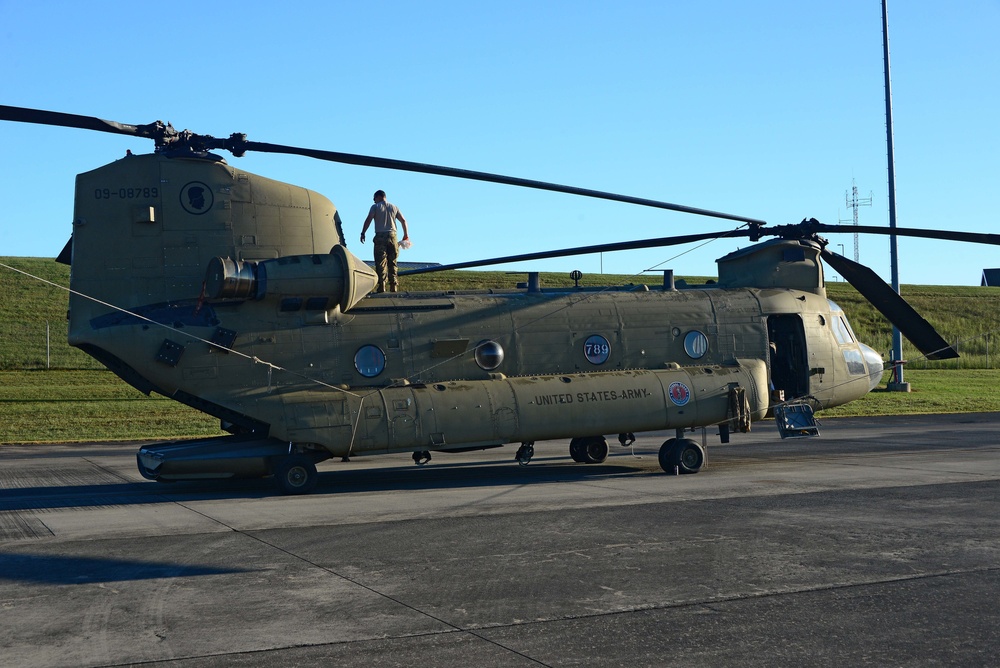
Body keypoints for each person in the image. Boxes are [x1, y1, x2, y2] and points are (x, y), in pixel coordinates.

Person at [360, 189, 409, 293]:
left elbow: (369, 219)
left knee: (381, 261)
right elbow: (403, 221)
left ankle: (382, 285)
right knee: (393, 261)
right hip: (393, 236)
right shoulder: (394, 207)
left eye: (374, 198)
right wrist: (405, 235)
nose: (374, 201)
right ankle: (393, 285)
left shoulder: (375, 207)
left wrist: (363, 232)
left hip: (380, 236)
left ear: (378, 196)